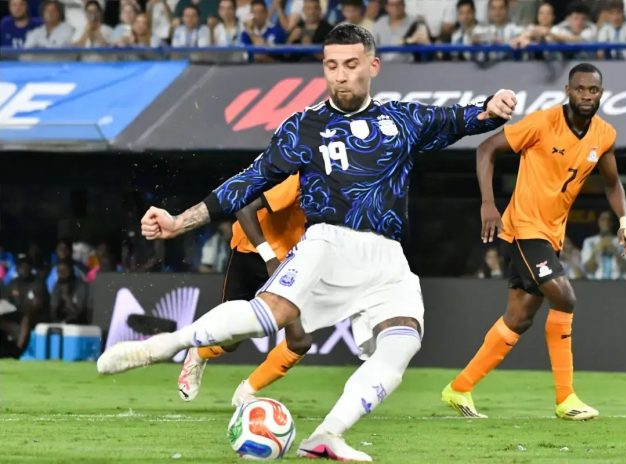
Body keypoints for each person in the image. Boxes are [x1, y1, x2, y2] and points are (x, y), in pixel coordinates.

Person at [97, 23, 516, 461]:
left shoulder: (402, 119)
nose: (340, 75)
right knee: (268, 317)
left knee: (404, 341)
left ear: (373, 66)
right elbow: (249, 182)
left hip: (387, 257)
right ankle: (166, 345)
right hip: (327, 244)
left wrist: (495, 105)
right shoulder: (304, 126)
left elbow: (463, 118)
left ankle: (328, 435)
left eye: (351, 65)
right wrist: (180, 221)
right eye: (331, 66)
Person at [442, 63, 626, 421]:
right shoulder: (542, 123)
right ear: (568, 91)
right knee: (565, 297)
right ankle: (566, 398)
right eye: (580, 89)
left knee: (519, 317)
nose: (586, 96)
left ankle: (459, 387)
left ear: (600, 93)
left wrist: (624, 222)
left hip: (551, 234)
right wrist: (488, 203)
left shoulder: (604, 134)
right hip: (524, 228)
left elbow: (612, 183)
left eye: (593, 90)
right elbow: (486, 149)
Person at [178, 174, 313, 406]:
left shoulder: (340, 184)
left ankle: (246, 392)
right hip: (251, 253)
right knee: (230, 339)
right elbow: (244, 209)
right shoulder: (296, 180)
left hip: (290, 263)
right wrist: (269, 257)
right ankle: (198, 354)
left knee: (299, 341)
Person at [581, 210, 626, 280]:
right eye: (603, 219)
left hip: (618, 283)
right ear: (598, 222)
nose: (606, 222)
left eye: (609, 220)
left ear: (612, 223)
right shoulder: (589, 242)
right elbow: (588, 270)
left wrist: (615, 252)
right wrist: (596, 250)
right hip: (595, 283)